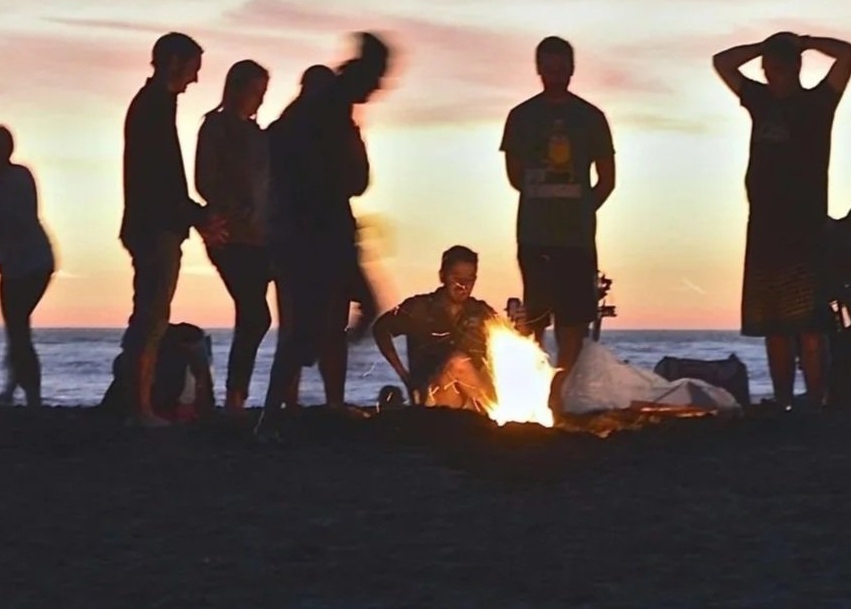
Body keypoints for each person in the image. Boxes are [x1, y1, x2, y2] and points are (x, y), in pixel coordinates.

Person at [258, 33, 392, 438]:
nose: (380, 88)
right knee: (312, 326)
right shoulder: (327, 110)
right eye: (378, 78)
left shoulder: (318, 115)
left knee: (336, 318)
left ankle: (288, 406)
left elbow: (352, 178)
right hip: (314, 233)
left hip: (315, 231)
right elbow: (350, 178)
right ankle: (273, 416)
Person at [713, 31, 851, 410]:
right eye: (767, 68)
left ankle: (816, 399)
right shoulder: (759, 100)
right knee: (773, 327)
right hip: (763, 228)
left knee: (810, 326)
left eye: (777, 67)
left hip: (805, 228)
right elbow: (722, 62)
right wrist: (762, 46)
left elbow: (846, 54)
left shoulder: (818, 103)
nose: (770, 74)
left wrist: (805, 41)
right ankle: (782, 400)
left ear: (794, 68)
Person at [102, 33, 228, 425]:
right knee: (152, 317)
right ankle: (138, 408)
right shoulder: (153, 107)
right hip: (154, 226)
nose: (194, 80)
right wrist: (197, 215)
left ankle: (137, 403)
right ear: (174, 62)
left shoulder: (155, 105)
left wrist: (193, 215)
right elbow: (160, 179)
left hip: (154, 223)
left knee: (150, 315)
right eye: (192, 69)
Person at [500, 37, 615, 393]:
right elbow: (514, 174)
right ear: (538, 69)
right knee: (535, 315)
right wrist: (545, 199)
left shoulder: (591, 118)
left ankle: (560, 393)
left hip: (576, 237)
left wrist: (581, 209)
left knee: (574, 320)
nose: (555, 75)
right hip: (535, 235)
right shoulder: (521, 117)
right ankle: (533, 388)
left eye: (562, 68)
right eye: (549, 69)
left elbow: (607, 180)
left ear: (572, 69)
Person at [194, 59, 272, 411]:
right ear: (237, 89)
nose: (258, 100)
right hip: (230, 235)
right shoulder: (216, 126)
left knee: (255, 314)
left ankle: (239, 396)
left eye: (262, 93)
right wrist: (233, 205)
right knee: (255, 314)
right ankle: (235, 397)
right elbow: (204, 178)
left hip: (261, 235)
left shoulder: (258, 135)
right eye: (255, 92)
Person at [0, 124, 56, 408]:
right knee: (17, 328)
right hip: (16, 261)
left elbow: (18, 219)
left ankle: (30, 396)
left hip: (32, 260)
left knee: (18, 328)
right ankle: (14, 389)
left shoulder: (17, 177)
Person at [373, 246, 496, 412]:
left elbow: (514, 342)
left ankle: (495, 412)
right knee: (458, 364)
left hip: (473, 398)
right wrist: (405, 376)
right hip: (435, 398)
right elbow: (381, 328)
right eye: (457, 278)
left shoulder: (481, 311)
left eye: (470, 279)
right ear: (442, 276)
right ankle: (498, 414)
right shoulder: (420, 308)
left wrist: (519, 321)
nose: (463, 285)